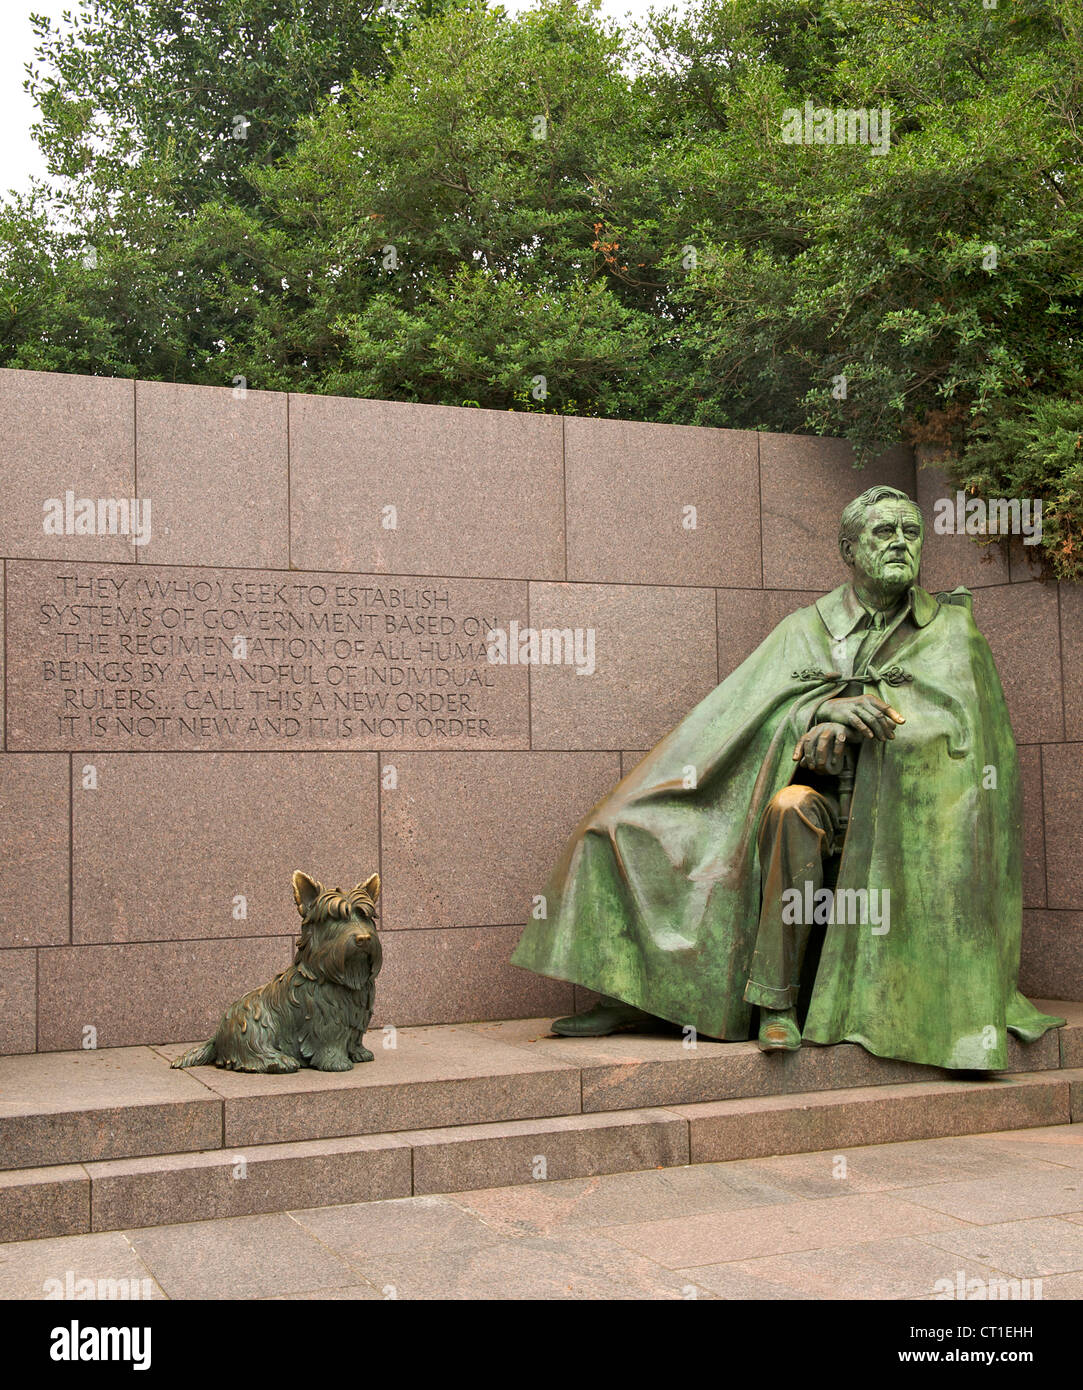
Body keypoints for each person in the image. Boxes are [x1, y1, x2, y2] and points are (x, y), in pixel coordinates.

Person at [511, 486, 1064, 1070]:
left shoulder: (953, 632)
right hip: (810, 802)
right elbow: (734, 719)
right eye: (884, 533)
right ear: (849, 549)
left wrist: (860, 730)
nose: (900, 543)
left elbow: (968, 747)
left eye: (910, 532)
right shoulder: (805, 629)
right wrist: (813, 715)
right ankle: (689, 998)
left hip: (902, 824)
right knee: (644, 825)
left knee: (795, 808)